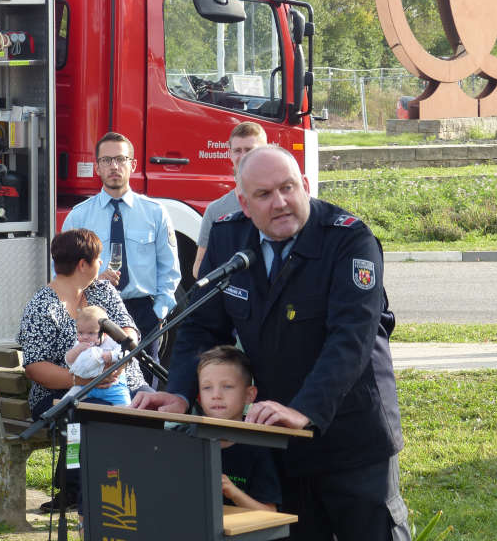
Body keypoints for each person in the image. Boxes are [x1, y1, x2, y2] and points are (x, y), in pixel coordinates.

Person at [133, 144, 411, 541]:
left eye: (288, 188)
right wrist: (179, 392)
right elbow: (200, 327)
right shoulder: (230, 238)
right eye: (264, 195)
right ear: (244, 203)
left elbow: (351, 338)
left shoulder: (349, 240)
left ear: (306, 185)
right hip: (277, 436)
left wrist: (306, 411)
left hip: (350, 433)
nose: (280, 202)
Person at [18, 228, 152, 511]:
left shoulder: (103, 291)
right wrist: (81, 378)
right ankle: (73, 489)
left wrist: (117, 365)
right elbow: (35, 366)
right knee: (82, 418)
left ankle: (145, 485)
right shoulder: (42, 307)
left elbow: (130, 331)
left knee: (155, 410)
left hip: (123, 383)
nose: (100, 265)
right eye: (97, 259)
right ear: (83, 264)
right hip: (64, 394)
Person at [61, 132, 180, 385]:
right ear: (97, 166)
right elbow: (62, 275)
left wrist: (158, 313)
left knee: (145, 386)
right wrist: (92, 280)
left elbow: (169, 271)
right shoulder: (78, 217)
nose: (114, 166)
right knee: (99, 384)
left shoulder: (156, 213)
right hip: (96, 312)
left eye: (120, 159)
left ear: (133, 165)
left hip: (143, 311)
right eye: (106, 160)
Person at [196, 345, 281, 512]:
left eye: (227, 386)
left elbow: (270, 513)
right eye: (207, 387)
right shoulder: (188, 441)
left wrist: (232, 491)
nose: (216, 395)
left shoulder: (257, 448)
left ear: (249, 395)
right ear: (198, 397)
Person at [192, 122, 268, 279]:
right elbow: (199, 269)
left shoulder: (278, 204)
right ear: (230, 154)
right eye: (237, 151)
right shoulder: (216, 210)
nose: (243, 156)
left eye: (249, 150)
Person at [63, 305, 130, 406]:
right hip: (85, 385)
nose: (85, 337)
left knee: (126, 405)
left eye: (91, 333)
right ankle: (60, 419)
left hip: (113, 386)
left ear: (105, 333)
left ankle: (126, 419)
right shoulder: (79, 345)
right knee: (67, 402)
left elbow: (125, 353)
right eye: (80, 332)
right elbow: (69, 360)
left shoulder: (111, 342)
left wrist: (111, 355)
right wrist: (76, 350)